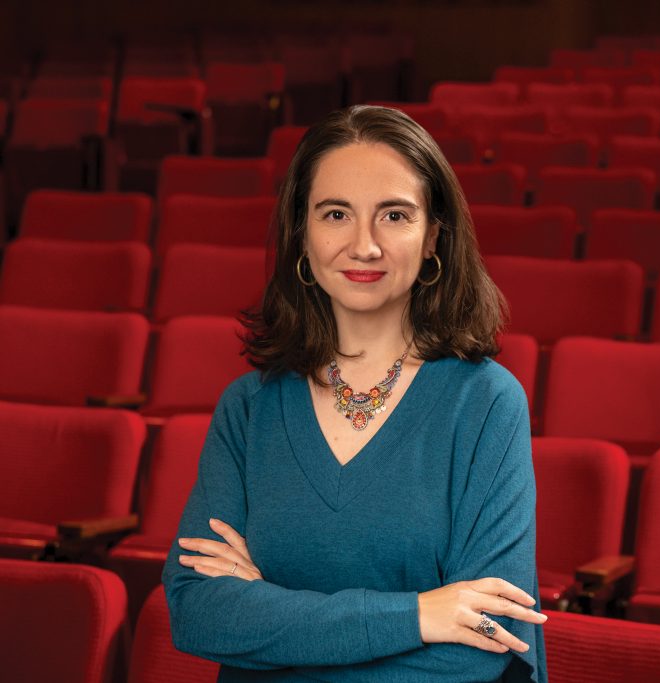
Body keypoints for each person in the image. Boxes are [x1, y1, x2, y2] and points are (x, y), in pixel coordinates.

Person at [163, 105, 547, 683]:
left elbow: (487, 642)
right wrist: (419, 614)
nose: (363, 245)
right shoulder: (248, 408)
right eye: (336, 213)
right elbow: (199, 615)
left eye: (394, 215)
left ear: (433, 236)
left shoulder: (486, 404)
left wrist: (270, 617)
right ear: (303, 233)